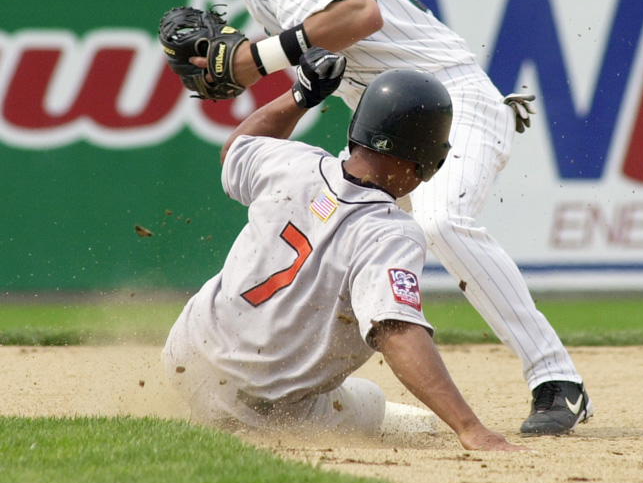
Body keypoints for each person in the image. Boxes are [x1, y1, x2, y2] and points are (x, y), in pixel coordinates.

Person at [160, 0, 593, 435]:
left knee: (440, 222)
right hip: (384, 128)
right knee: (319, 241)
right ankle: (300, 392)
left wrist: (254, 60)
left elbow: (360, 14)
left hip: (447, 102)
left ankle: (557, 379)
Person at [162, 47, 524, 451]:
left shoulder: (292, 162)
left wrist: (301, 94)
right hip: (253, 413)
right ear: (424, 162)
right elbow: (397, 331)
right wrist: (470, 428)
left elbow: (237, 149)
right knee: (373, 402)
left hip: (184, 355)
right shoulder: (390, 233)